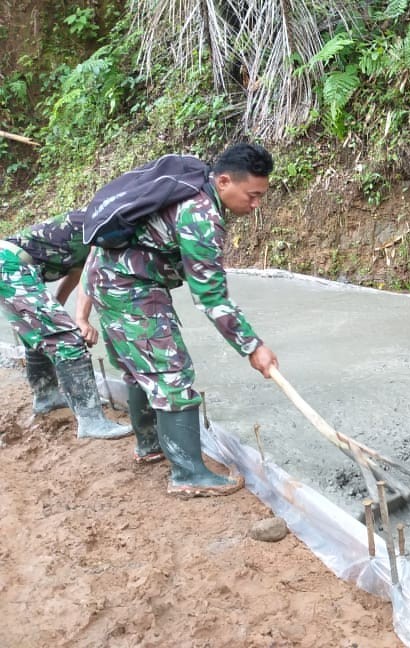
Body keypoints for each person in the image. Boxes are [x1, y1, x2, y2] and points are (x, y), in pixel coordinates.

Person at [80, 142, 280, 497]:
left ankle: (150, 445)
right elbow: (211, 297)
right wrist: (254, 347)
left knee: (140, 369)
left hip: (110, 280)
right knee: (171, 372)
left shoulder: (192, 186)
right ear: (223, 182)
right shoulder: (200, 215)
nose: (256, 204)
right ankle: (188, 474)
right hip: (130, 288)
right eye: (252, 195)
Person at [1, 211, 132, 439]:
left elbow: (77, 273)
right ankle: (92, 422)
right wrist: (80, 320)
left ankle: (46, 396)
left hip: (10, 264)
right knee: (68, 340)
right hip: (11, 266)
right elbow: (91, 272)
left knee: (43, 333)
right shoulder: (107, 222)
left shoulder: (97, 219)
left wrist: (57, 310)